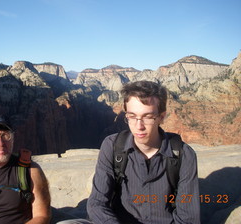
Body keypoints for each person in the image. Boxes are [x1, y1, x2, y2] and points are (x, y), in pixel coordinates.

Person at [58, 80, 200, 224]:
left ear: (161, 117)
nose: (139, 126)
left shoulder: (184, 155)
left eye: (148, 117)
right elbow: (96, 203)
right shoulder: (112, 146)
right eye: (132, 116)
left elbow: (188, 219)